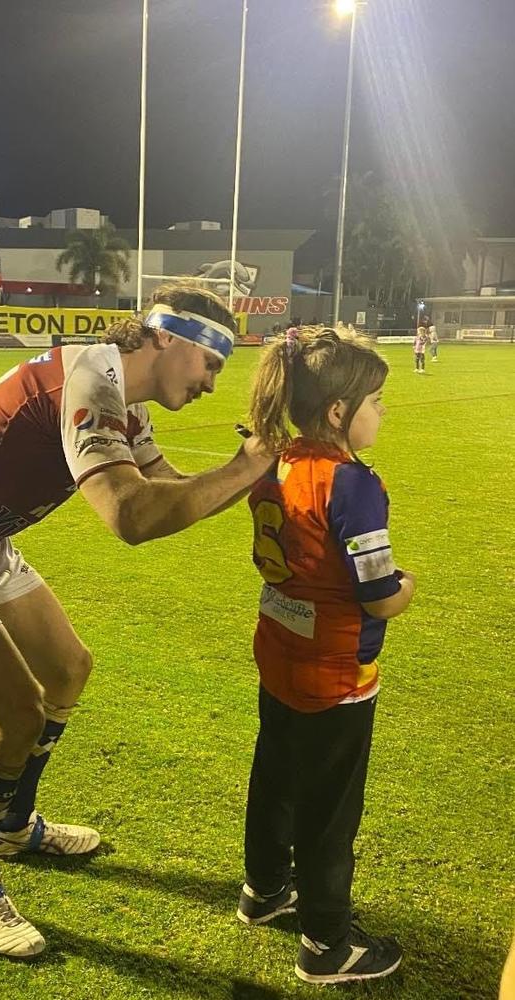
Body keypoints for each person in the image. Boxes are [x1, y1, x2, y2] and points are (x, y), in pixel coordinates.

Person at [0, 281, 272, 960]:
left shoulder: (121, 396)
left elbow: (172, 491)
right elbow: (132, 517)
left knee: (68, 669)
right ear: (167, 338)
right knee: (15, 720)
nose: (209, 385)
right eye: (211, 366)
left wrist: (255, 472)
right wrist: (244, 468)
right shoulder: (92, 382)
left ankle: (13, 824)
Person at [235, 328, 416, 985]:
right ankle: (326, 943)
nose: (382, 411)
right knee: (330, 810)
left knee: (275, 779)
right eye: (374, 399)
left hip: (279, 654)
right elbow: (376, 596)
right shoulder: (351, 483)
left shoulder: (272, 459)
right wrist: (409, 589)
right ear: (338, 411)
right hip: (337, 673)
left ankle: (263, 892)